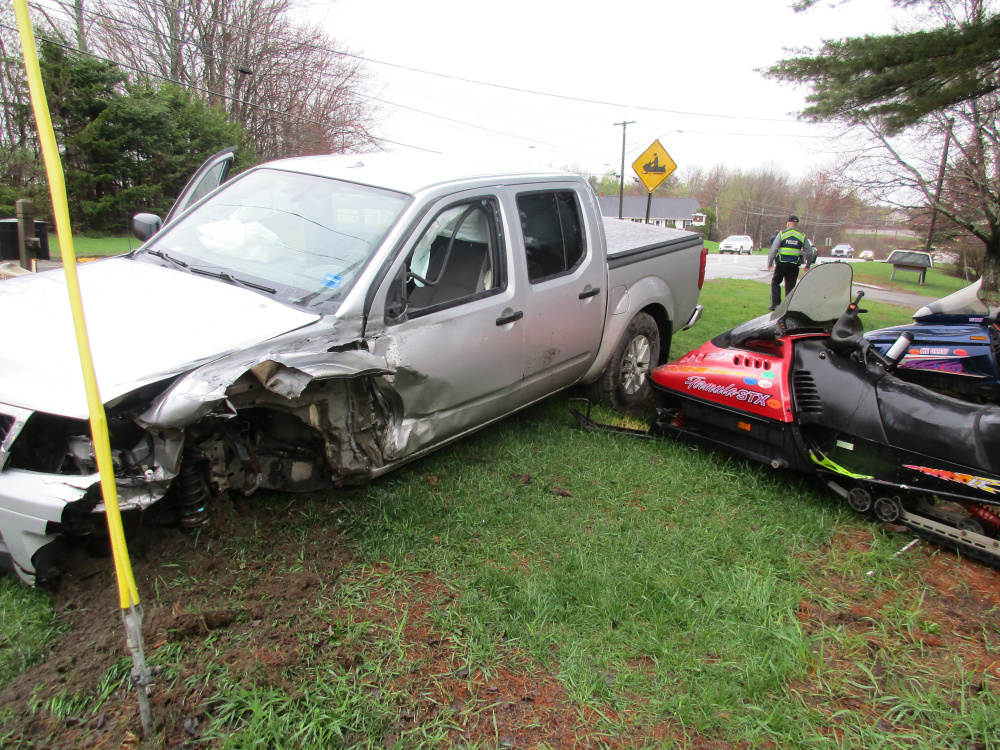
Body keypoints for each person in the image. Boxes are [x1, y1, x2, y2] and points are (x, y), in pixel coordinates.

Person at [767, 215, 816, 310]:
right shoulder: (802, 236)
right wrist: (808, 264)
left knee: (776, 282)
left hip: (782, 262)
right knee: (791, 285)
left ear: (788, 224)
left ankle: (775, 304)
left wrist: (770, 262)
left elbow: (774, 249)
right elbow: (809, 251)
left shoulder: (782, 234)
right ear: (797, 225)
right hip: (794, 264)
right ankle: (788, 306)